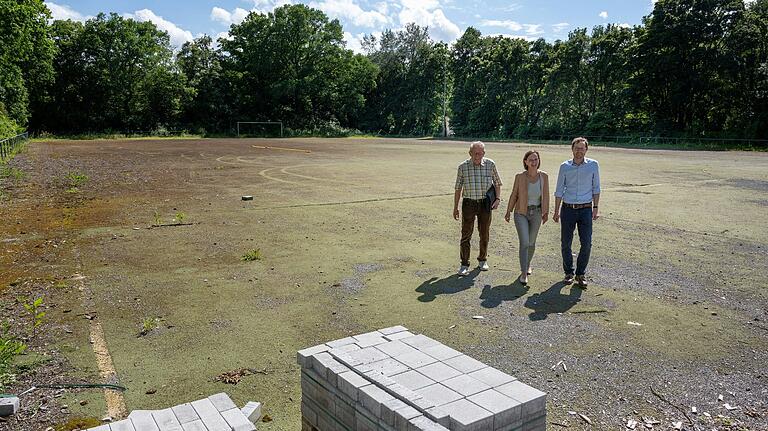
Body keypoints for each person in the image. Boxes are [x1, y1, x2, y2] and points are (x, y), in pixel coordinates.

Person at [553, 137, 601, 287]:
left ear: (586, 150)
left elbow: (596, 187)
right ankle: (568, 273)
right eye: (577, 148)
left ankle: (581, 274)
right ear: (572, 149)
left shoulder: (593, 165)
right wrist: (556, 211)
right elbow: (559, 189)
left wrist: (595, 208)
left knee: (586, 243)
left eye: (582, 148)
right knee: (565, 243)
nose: (579, 151)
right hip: (568, 209)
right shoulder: (565, 166)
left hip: (586, 209)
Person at [453, 141, 502, 276]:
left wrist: (497, 199)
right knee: (466, 234)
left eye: (480, 153)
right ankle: (464, 264)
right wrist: (455, 207)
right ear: (470, 153)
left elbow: (497, 183)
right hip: (468, 203)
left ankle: (482, 260)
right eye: (475, 153)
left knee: (484, 233)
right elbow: (458, 188)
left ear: (484, 153)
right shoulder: (462, 167)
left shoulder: (490, 164)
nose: (477, 156)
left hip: (485, 204)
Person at [504, 150, 549, 285]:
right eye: (531, 160)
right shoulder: (520, 177)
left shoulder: (544, 176)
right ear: (525, 162)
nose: (534, 162)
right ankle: (524, 273)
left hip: (536, 213)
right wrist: (508, 211)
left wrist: (545, 212)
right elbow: (514, 194)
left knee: (531, 243)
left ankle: (527, 264)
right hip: (521, 213)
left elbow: (546, 195)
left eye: (536, 159)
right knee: (524, 242)